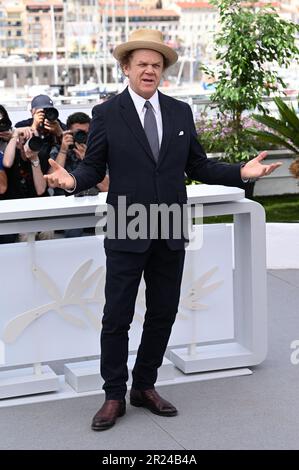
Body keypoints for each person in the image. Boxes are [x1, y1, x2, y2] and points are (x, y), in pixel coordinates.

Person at [45, 29, 282, 431]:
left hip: (170, 224)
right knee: (116, 315)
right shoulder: (106, 114)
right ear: (126, 68)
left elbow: (199, 167)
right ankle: (114, 394)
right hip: (126, 224)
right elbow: (94, 168)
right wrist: (71, 181)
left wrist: (242, 172)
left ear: (163, 71)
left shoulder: (179, 112)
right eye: (142, 64)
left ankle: (145, 385)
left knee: (163, 312)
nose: (150, 70)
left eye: (157, 65)